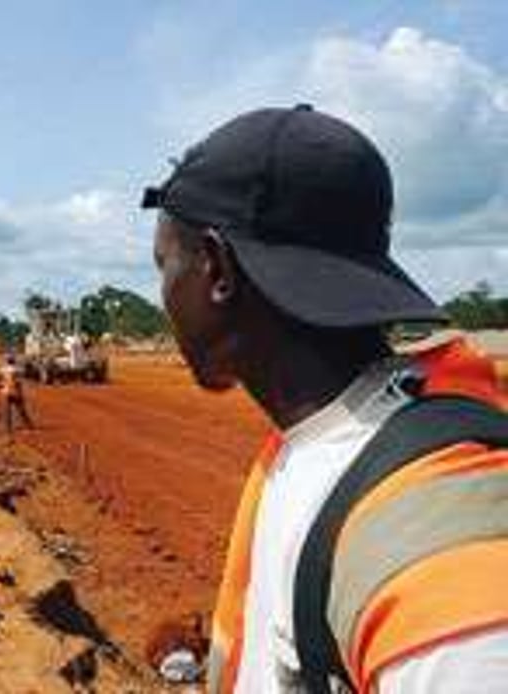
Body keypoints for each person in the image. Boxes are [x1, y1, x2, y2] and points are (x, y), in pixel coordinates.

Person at [143, 104, 508, 693]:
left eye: (165, 264)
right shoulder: (318, 448)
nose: (163, 294)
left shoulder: (435, 538)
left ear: (216, 268)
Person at [0, 353, 33, 435]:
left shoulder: (1, 369)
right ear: (13, 361)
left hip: (6, 391)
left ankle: (7, 427)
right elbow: (23, 378)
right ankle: (28, 425)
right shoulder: (18, 369)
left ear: (6, 361)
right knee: (21, 409)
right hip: (16, 391)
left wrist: (0, 386)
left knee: (6, 410)